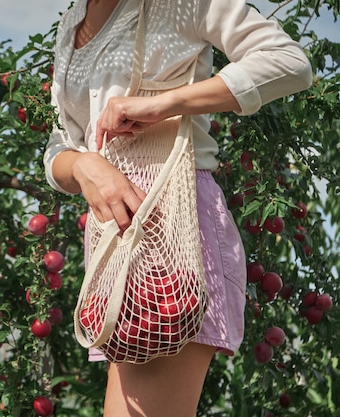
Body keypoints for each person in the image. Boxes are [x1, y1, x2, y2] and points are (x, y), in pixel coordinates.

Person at [43, 0, 313, 416]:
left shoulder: (182, 5)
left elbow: (288, 63)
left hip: (173, 226)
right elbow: (61, 143)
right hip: (114, 244)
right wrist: (83, 164)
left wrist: (165, 104)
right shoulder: (71, 21)